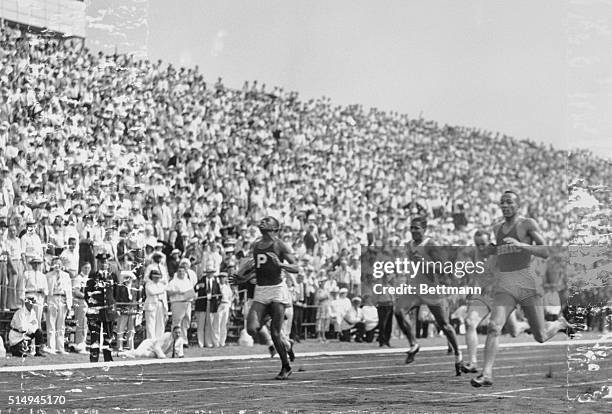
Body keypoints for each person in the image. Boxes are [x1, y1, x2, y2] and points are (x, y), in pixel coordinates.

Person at [470, 191, 572, 387]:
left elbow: (545, 251)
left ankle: (559, 324)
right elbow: (500, 253)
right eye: (502, 202)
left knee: (541, 336)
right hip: (506, 285)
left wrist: (521, 244)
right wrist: (489, 250)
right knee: (494, 327)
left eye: (509, 202)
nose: (505, 205)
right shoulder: (497, 228)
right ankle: (487, 374)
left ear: (518, 205)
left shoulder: (527, 224)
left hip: (527, 283)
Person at [393, 216, 464, 375]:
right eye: (411, 227)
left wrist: (424, 263)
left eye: (416, 228)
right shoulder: (408, 245)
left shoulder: (431, 245)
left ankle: (458, 353)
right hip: (413, 289)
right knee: (398, 311)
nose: (413, 231)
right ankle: (414, 344)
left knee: (444, 325)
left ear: (424, 230)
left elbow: (444, 268)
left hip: (431, 289)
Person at [231, 216, 299, 380]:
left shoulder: (280, 245)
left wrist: (281, 265)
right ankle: (269, 316)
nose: (262, 222)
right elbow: (258, 268)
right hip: (261, 289)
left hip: (276, 289)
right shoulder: (256, 245)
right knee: (251, 329)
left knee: (275, 333)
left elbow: (296, 267)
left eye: (266, 221)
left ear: (274, 228)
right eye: (262, 221)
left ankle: (286, 366)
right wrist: (244, 279)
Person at [84, 253, 117, 362]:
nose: (103, 265)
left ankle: (108, 358)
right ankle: (94, 359)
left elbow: (115, 293)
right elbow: (87, 294)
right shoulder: (93, 276)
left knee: (108, 336)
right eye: (101, 262)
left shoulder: (112, 276)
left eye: (105, 262)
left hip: (108, 311)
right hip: (96, 312)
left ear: (108, 264)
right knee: (95, 336)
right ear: (98, 263)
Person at [45, 256, 73, 354]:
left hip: (62, 299)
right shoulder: (48, 275)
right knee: (51, 324)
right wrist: (45, 303)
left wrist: (69, 304)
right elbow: (45, 291)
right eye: (56, 263)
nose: (58, 265)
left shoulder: (66, 275)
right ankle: (51, 347)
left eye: (59, 264)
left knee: (61, 326)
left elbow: (69, 290)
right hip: (52, 299)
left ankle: (60, 347)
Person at [167, 266, 196, 346]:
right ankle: (175, 341)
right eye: (180, 271)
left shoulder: (187, 281)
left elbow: (192, 292)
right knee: (177, 322)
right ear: (177, 272)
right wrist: (177, 292)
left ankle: (184, 341)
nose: (181, 273)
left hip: (187, 303)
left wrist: (191, 296)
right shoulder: (173, 281)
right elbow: (168, 292)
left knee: (186, 322)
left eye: (183, 271)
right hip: (177, 303)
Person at [194, 263, 220, 347]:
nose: (210, 274)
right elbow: (195, 288)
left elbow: (219, 293)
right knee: (201, 324)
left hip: (212, 304)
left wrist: (216, 298)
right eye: (208, 272)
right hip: (202, 304)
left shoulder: (216, 281)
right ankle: (200, 342)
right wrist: (198, 286)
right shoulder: (202, 279)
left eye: (211, 272)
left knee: (210, 324)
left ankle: (208, 342)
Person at [21, 257, 48, 329]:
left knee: (37, 318)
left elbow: (46, 290)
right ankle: (27, 337)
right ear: (31, 264)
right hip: (29, 295)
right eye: (34, 263)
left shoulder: (43, 276)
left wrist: (44, 291)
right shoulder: (27, 273)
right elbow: (22, 287)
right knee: (27, 317)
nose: (36, 265)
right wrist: (23, 298)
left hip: (39, 297)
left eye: (38, 263)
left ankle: (37, 338)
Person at [71, 261, 90, 354]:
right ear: (81, 268)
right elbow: (76, 292)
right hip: (80, 302)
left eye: (88, 268)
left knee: (85, 325)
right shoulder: (78, 278)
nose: (87, 270)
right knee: (81, 324)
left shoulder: (89, 278)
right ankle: (79, 344)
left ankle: (83, 344)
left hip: (88, 303)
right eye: (85, 268)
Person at [143, 269, 168, 340]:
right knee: (151, 325)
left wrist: (166, 309)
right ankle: (151, 342)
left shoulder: (161, 285)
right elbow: (152, 292)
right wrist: (164, 289)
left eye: (158, 277)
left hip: (160, 305)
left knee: (160, 324)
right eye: (155, 277)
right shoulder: (148, 284)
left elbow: (164, 298)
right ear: (152, 277)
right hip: (151, 305)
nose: (157, 279)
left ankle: (159, 341)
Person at [214, 272, 233, 346]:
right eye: (221, 277)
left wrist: (229, 306)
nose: (222, 279)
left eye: (223, 277)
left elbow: (230, 297)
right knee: (217, 323)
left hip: (226, 305)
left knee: (224, 324)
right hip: (220, 305)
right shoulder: (217, 286)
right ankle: (216, 341)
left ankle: (222, 341)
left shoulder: (227, 287)